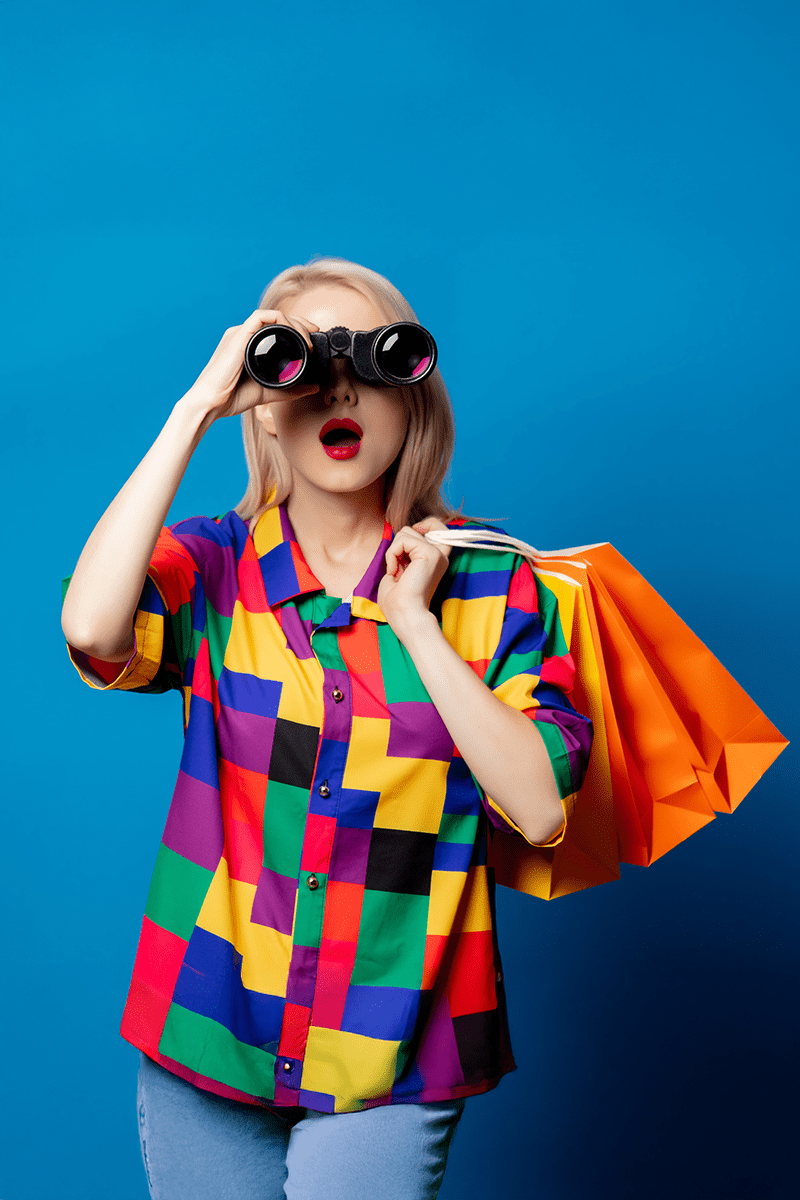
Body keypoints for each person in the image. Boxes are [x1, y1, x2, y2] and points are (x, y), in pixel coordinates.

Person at [61, 258, 593, 1199]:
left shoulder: (496, 586)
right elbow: (92, 627)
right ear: (264, 403)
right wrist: (194, 408)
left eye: (373, 363)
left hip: (398, 1040)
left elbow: (542, 806)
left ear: (412, 396)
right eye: (305, 363)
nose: (340, 386)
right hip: (211, 1020)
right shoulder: (215, 567)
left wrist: (419, 625)